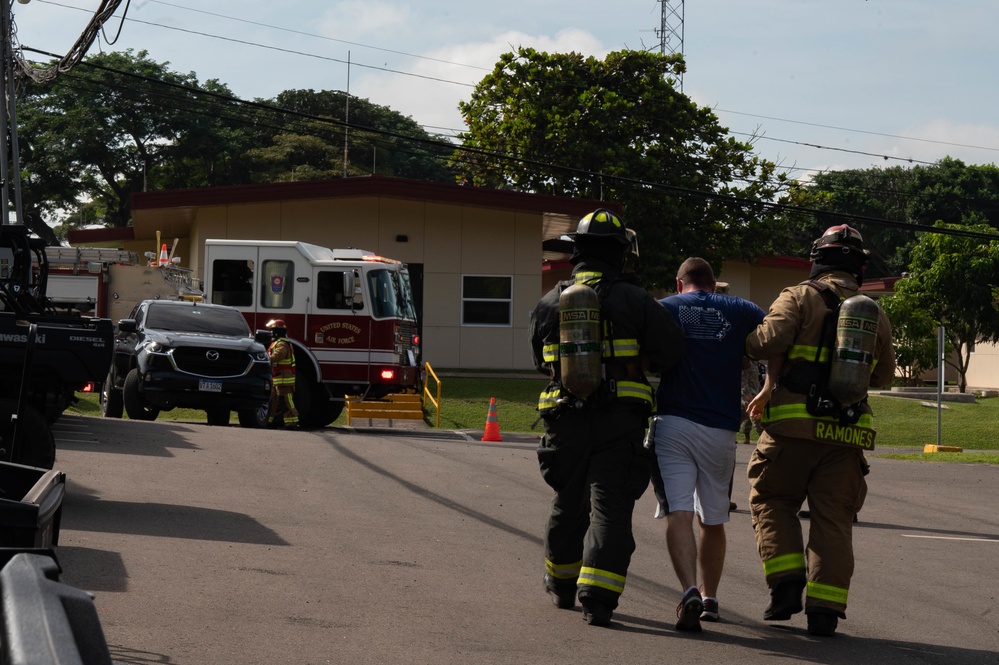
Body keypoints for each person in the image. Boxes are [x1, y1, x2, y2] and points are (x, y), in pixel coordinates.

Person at [529, 209, 685, 627]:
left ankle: (562, 585)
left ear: (576, 252)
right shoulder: (636, 300)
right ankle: (598, 598)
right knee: (610, 510)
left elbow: (537, 359)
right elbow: (671, 351)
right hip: (619, 421)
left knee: (567, 502)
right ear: (619, 254)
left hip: (564, 419)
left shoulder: (550, 301)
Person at [744, 224, 895, 637]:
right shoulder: (874, 311)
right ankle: (825, 611)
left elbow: (766, 341)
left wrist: (748, 337)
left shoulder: (798, 296)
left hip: (791, 428)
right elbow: (881, 377)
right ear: (858, 266)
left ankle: (787, 584)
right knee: (833, 521)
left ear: (819, 258)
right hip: (847, 435)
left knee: (772, 499)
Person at [651, 257, 765, 631]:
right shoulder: (742, 309)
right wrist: (767, 387)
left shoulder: (665, 307)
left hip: (673, 423)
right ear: (714, 285)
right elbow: (775, 336)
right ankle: (711, 596)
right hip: (720, 429)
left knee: (679, 511)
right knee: (713, 518)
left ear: (679, 282)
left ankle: (688, 591)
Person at [266, 318, 299, 429]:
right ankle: (270, 421)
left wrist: (266, 359)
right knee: (273, 402)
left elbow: (278, 356)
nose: (271, 333)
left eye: (273, 330)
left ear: (277, 331)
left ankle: (291, 423)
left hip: (284, 379)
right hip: (278, 378)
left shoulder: (282, 344)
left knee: (286, 401)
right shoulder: (277, 343)